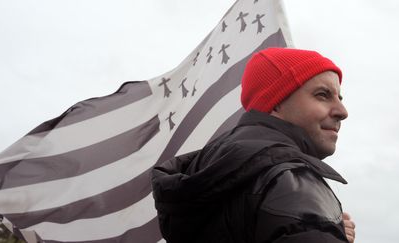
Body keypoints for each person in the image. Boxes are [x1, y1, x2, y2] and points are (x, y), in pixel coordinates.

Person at [151, 48, 356, 243]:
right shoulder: (288, 177)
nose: (342, 111)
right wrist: (315, 227)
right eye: (322, 95)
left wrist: (324, 231)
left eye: (340, 97)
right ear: (276, 103)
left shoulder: (207, 173)